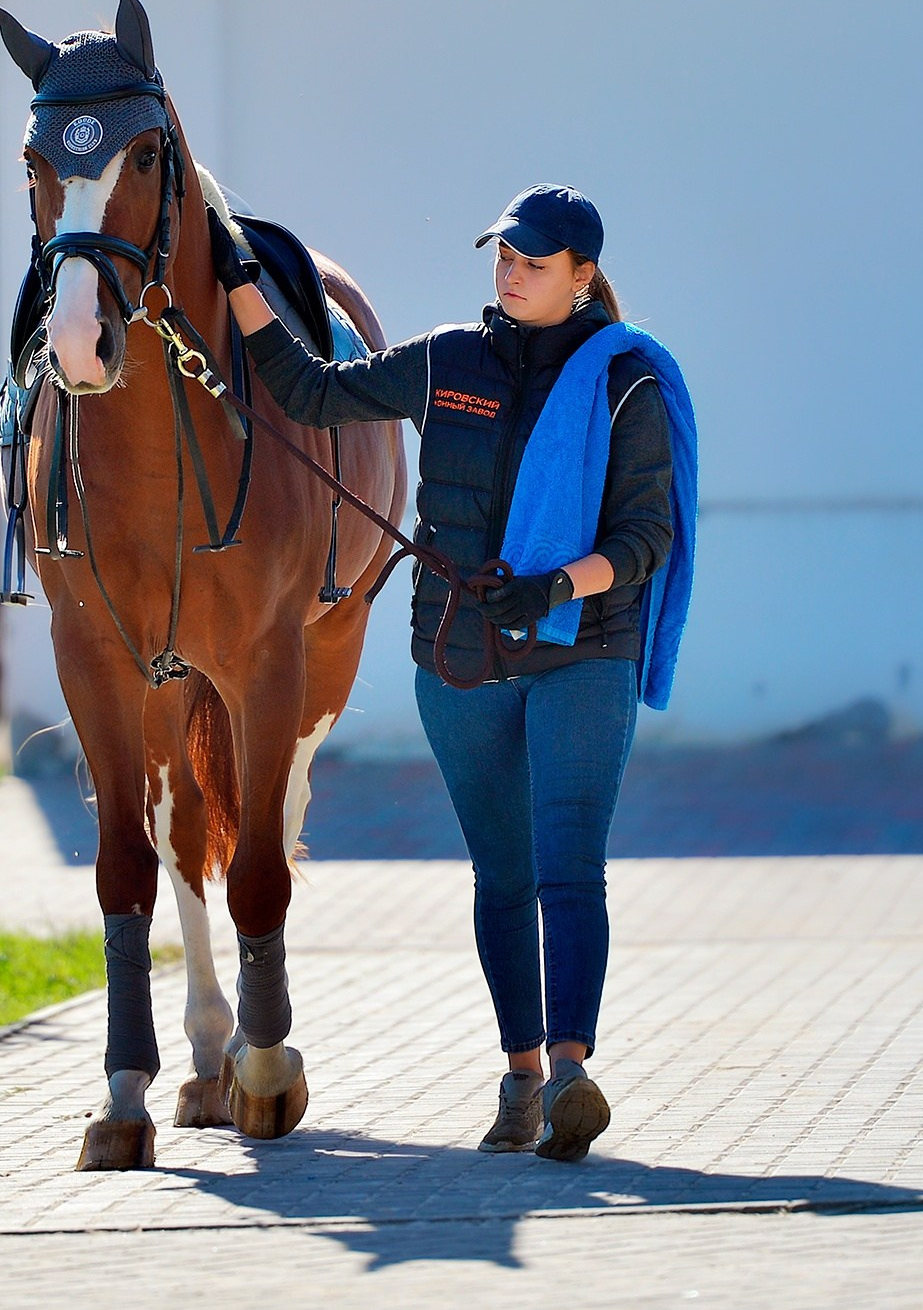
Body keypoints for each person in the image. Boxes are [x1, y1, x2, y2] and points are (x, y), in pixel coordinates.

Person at [211, 184, 696, 1164]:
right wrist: (241, 287)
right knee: (501, 876)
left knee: (567, 867)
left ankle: (569, 1073)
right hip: (460, 657)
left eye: (532, 261)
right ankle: (519, 1078)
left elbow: (646, 536)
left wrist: (558, 582)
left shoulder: (626, 382)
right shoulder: (448, 361)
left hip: (580, 653)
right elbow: (309, 391)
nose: (510, 274)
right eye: (502, 257)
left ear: (581, 276)